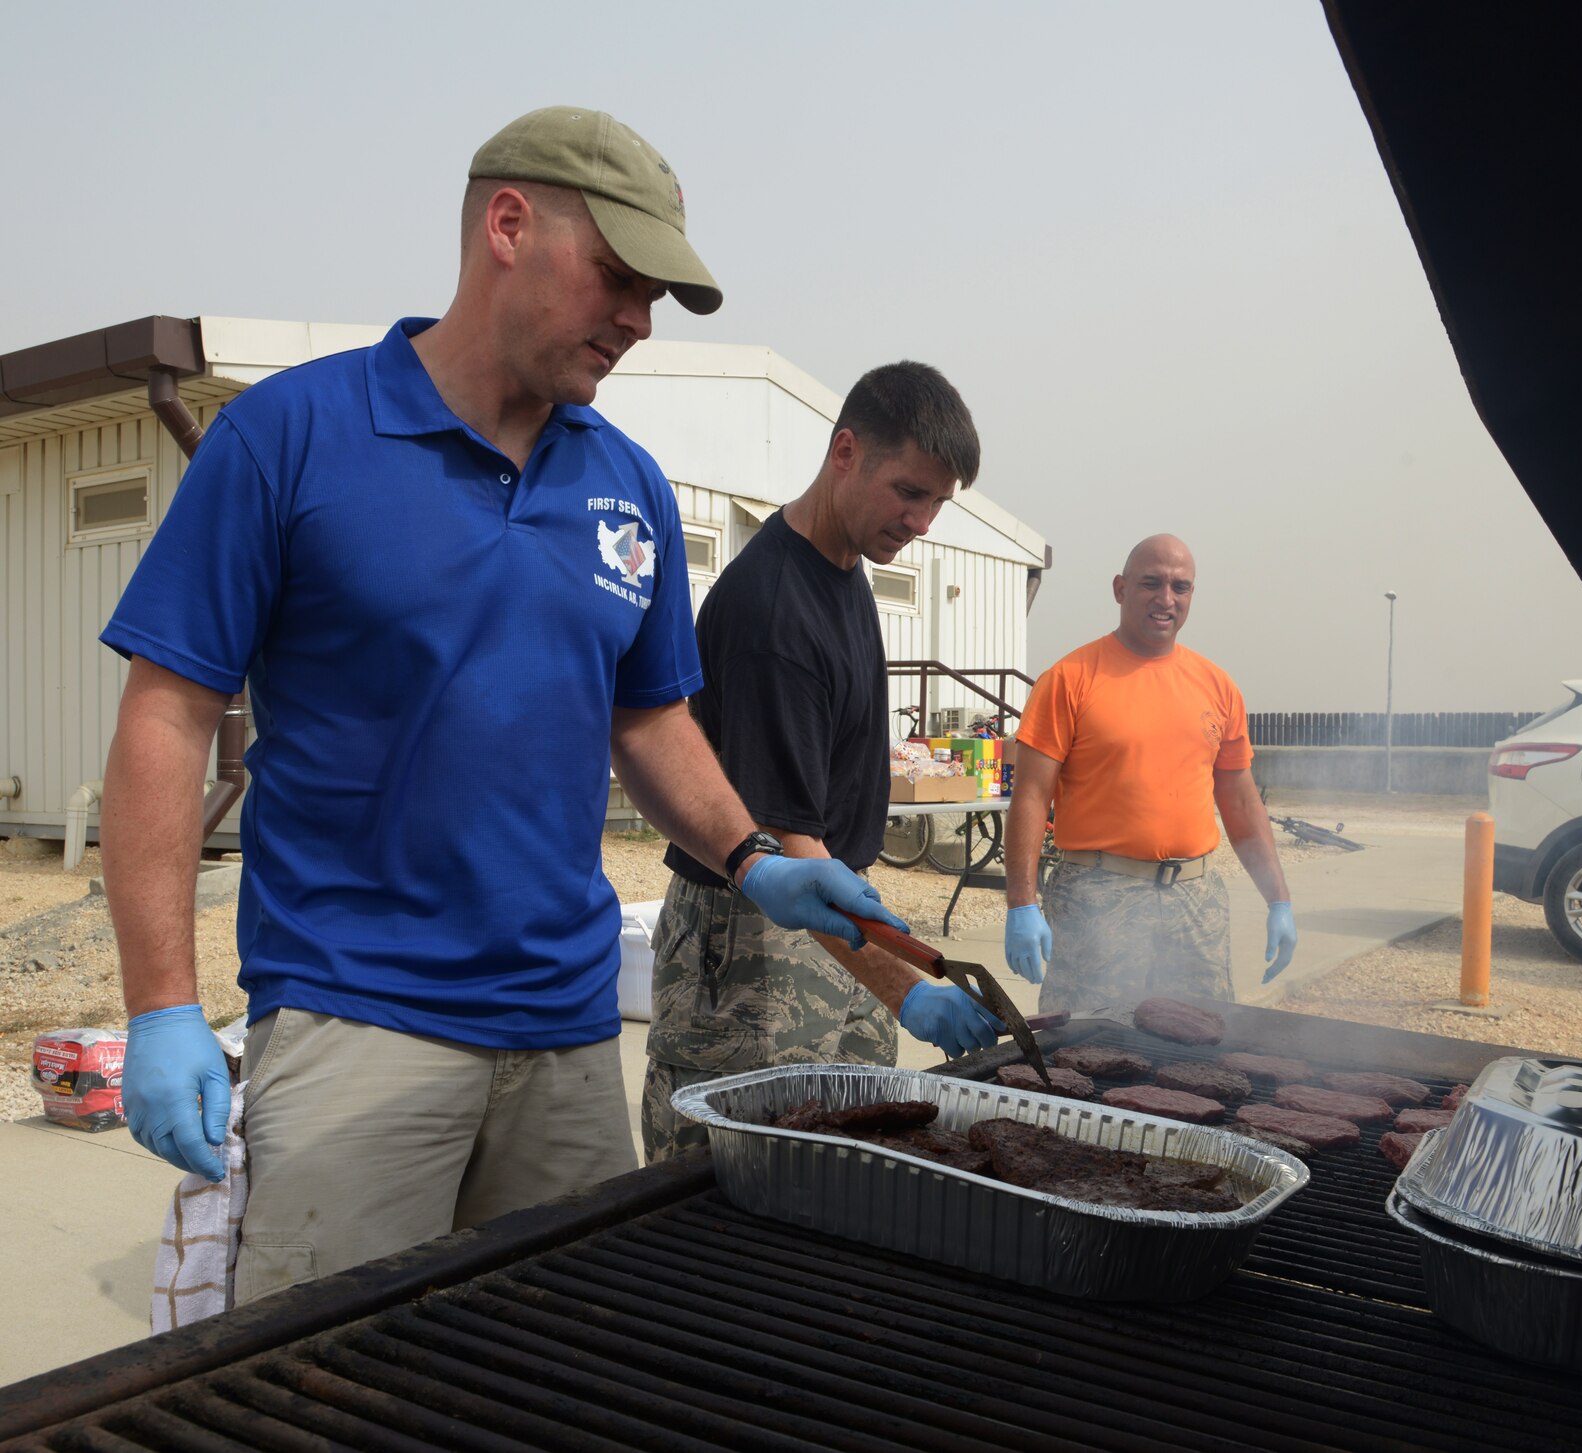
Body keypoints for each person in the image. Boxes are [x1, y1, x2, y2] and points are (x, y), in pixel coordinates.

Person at [97, 105, 904, 1304]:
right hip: (355, 1018)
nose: (635, 321)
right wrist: (160, 1005)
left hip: (566, 1033)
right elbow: (164, 719)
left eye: (654, 299)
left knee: (551, 1369)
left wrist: (747, 854)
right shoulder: (291, 438)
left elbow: (647, 716)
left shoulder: (622, 481)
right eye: (619, 279)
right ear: (507, 226)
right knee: (333, 1382)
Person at [642, 362, 1003, 1160]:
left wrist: (886, 972)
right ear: (846, 451)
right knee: (735, 1172)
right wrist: (909, 992)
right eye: (909, 492)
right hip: (753, 945)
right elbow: (784, 840)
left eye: (939, 501)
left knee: (838, 1166)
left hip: (837, 913)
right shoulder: (773, 608)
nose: (923, 521)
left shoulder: (844, 572)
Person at [1002, 534, 1297, 1013]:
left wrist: (1278, 901)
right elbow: (1031, 796)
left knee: (1201, 1047)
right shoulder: (1070, 679)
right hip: (1099, 896)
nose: (1166, 600)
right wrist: (1021, 903)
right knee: (1085, 1046)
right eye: (1151, 584)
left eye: (1180, 587)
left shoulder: (1218, 686)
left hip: (1196, 901)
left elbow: (1241, 803)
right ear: (1120, 589)